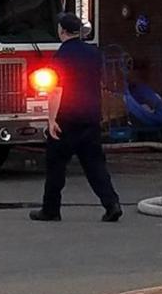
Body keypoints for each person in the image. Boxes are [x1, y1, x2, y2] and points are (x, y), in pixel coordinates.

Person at [30, 12, 123, 223]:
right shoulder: (94, 53)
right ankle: (112, 204)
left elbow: (56, 90)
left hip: (67, 117)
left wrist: (51, 120)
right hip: (91, 116)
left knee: (56, 166)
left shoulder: (61, 56)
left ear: (61, 30)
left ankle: (51, 210)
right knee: (95, 164)